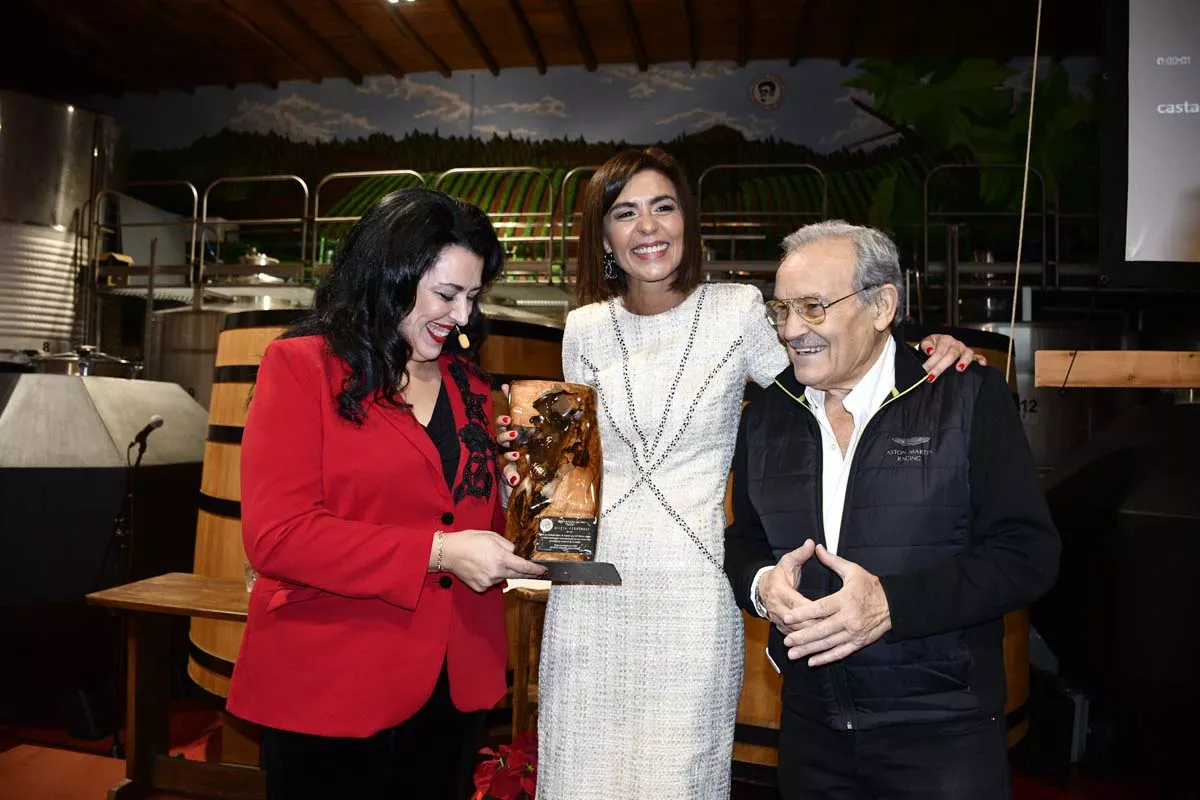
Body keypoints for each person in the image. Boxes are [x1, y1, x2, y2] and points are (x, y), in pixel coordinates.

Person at [498, 149, 980, 799]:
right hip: (592, 594)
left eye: (663, 207)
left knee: (678, 778)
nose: (648, 227)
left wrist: (920, 344)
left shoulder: (738, 310)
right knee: (580, 772)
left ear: (687, 221)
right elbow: (574, 468)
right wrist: (530, 483)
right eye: (625, 213)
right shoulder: (583, 328)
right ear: (604, 236)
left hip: (693, 592)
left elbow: (825, 361)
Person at [225, 188, 547, 800]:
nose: (460, 317)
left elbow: (463, 511)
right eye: (446, 295)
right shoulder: (301, 367)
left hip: (452, 679)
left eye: (473, 298)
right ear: (389, 277)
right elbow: (278, 536)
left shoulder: (474, 390)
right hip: (332, 679)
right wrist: (439, 552)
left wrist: (520, 497)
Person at [724, 221, 1061, 799]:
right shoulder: (767, 415)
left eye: (813, 307)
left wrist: (890, 605)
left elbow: (1027, 554)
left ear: (882, 305)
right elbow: (745, 540)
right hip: (811, 740)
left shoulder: (965, 396)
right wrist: (761, 584)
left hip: (942, 737)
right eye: (782, 310)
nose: (792, 330)